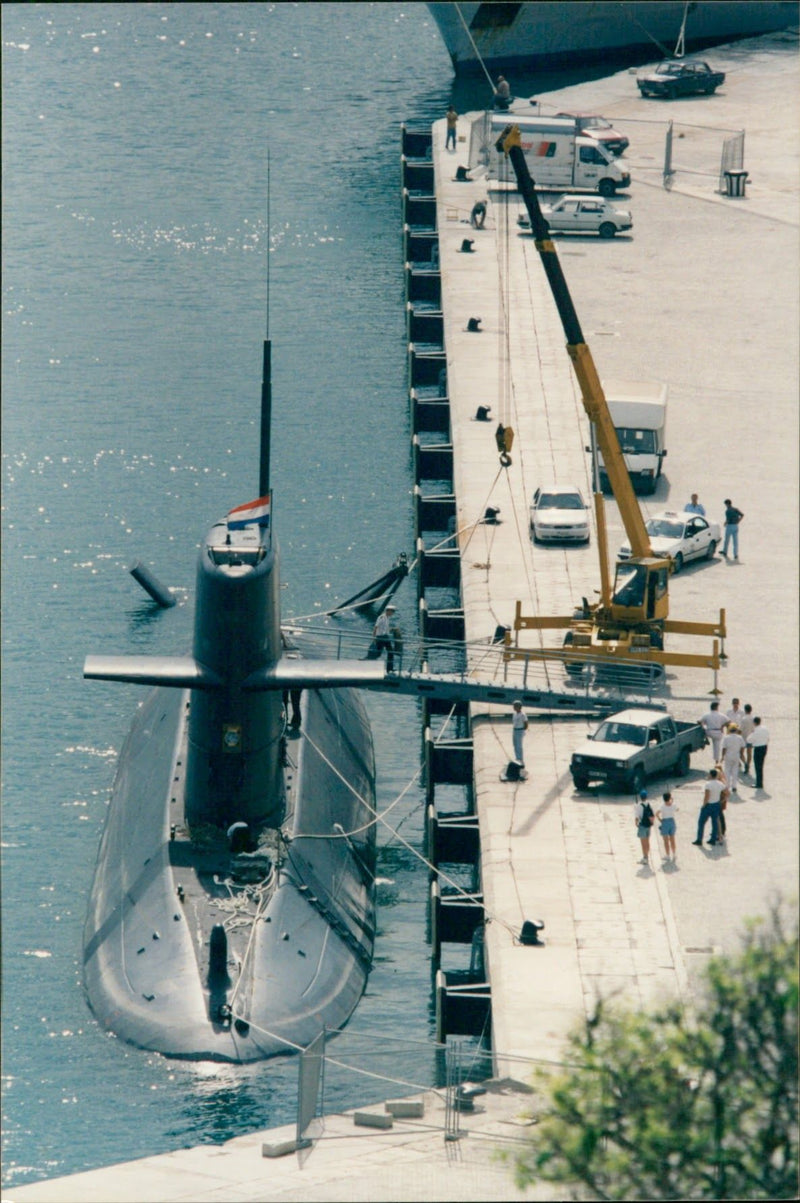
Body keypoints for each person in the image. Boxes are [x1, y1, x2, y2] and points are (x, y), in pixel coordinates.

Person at [693, 768, 725, 847]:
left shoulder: (708, 784)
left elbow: (706, 796)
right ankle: (713, 839)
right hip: (716, 805)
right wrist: (722, 801)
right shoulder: (720, 784)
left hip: (708, 805)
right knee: (714, 822)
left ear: (710, 775)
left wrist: (703, 805)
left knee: (701, 822)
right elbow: (727, 793)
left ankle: (699, 839)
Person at [720, 723, 745, 793]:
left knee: (727, 771)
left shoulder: (726, 738)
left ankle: (727, 785)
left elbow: (724, 748)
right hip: (736, 755)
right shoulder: (739, 738)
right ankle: (734, 786)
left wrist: (722, 756)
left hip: (728, 755)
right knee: (735, 771)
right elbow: (743, 746)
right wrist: (741, 754)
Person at [747, 716, 770, 788]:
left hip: (758, 748)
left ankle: (759, 783)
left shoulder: (755, 730)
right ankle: (760, 782)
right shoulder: (765, 728)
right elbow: (768, 737)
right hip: (764, 747)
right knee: (761, 765)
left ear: (754, 723)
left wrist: (751, 733)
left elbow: (749, 740)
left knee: (758, 766)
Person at [373, 604, 396, 672]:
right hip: (380, 637)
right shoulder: (382, 617)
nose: (392, 613)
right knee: (378, 653)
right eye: (392, 611)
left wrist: (391, 630)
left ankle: (389, 668)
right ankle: (373, 667)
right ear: (388, 611)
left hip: (385, 637)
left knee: (390, 652)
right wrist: (374, 638)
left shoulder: (387, 618)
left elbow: (385, 628)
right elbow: (376, 627)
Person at [634, 789, 654, 864]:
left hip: (642, 825)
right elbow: (652, 814)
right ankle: (647, 856)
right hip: (648, 825)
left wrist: (636, 823)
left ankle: (645, 858)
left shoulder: (638, 806)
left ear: (640, 797)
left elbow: (637, 817)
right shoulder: (649, 804)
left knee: (643, 843)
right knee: (647, 842)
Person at [657, 790, 677, 861]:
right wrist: (672, 801)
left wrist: (660, 820)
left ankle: (667, 855)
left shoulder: (662, 806)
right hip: (672, 821)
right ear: (669, 798)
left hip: (665, 822)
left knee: (666, 841)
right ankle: (674, 854)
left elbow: (657, 814)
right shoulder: (673, 805)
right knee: (672, 839)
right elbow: (677, 809)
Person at [511, 700, 528, 766]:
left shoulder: (523, 715)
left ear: (519, 707)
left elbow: (526, 724)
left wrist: (522, 730)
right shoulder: (514, 714)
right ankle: (517, 757)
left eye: (515, 706)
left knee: (519, 745)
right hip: (515, 730)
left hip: (519, 730)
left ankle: (520, 758)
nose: (514, 707)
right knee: (515, 745)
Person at [739, 703, 755, 771]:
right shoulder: (753, 718)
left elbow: (741, 729)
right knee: (749, 753)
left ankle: (745, 763)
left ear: (745, 710)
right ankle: (748, 764)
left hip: (743, 738)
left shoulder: (744, 719)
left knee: (741, 753)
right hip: (751, 738)